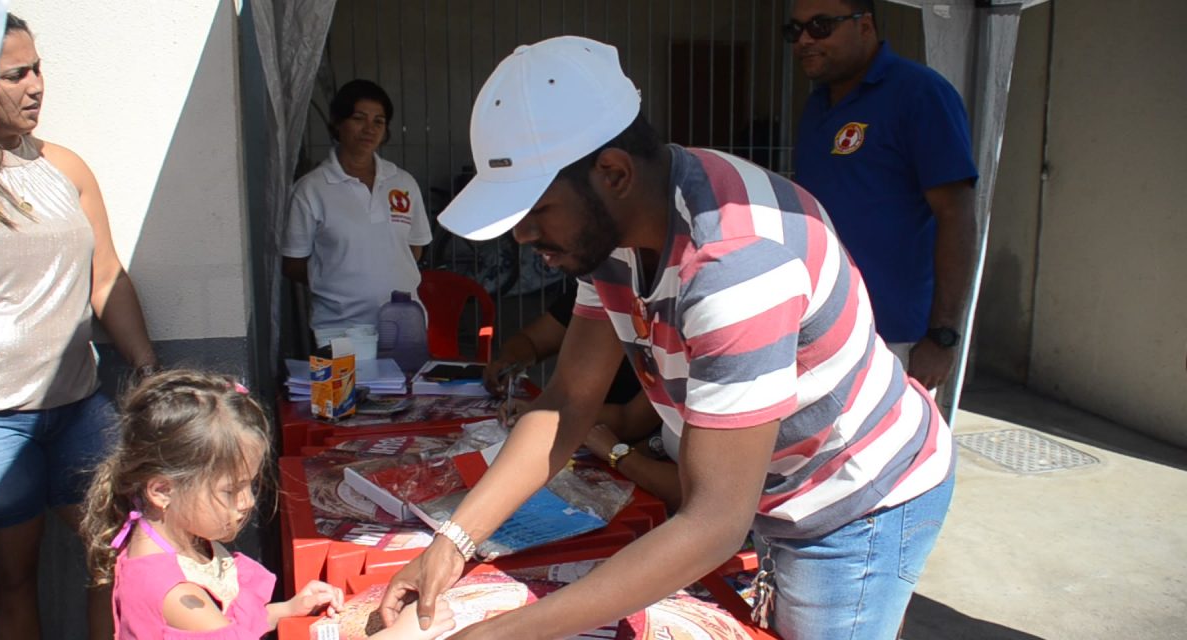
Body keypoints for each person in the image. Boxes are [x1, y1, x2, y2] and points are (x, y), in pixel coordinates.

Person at [377, 36, 955, 640]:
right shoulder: (612, 227)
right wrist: (454, 539)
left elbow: (713, 522)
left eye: (536, 212)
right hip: (770, 490)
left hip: (852, 502)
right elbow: (569, 400)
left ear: (614, 172)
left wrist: (498, 632)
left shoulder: (738, 263)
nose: (523, 237)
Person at [0, 13, 159, 639]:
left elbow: (106, 277)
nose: (36, 85)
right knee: (11, 576)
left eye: (37, 67)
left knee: (125, 556)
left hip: (77, 408)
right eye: (15, 74)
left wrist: (148, 371)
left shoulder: (64, 166)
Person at [82, 370, 455, 639]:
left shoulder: (179, 538)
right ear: (161, 490)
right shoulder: (177, 596)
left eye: (251, 485)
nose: (247, 503)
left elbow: (233, 623)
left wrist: (284, 611)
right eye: (231, 490)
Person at [789, 0, 979, 389]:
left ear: (865, 27)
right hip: (822, 327)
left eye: (821, 25)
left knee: (895, 449)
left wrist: (942, 336)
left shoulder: (920, 94)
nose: (805, 39)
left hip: (894, 336)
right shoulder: (817, 105)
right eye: (795, 30)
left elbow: (956, 216)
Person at [282, 79, 433, 346]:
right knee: (344, 389)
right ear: (337, 123)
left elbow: (414, 248)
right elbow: (294, 264)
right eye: (358, 118)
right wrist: (338, 280)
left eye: (379, 121)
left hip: (404, 323)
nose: (369, 129)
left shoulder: (403, 182)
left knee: (402, 387)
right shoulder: (311, 189)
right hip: (340, 329)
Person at [482, 278, 641, 403]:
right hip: (576, 422)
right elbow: (531, 340)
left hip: (631, 438)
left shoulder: (656, 310)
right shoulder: (593, 291)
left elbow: (629, 421)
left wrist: (539, 413)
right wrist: (508, 363)